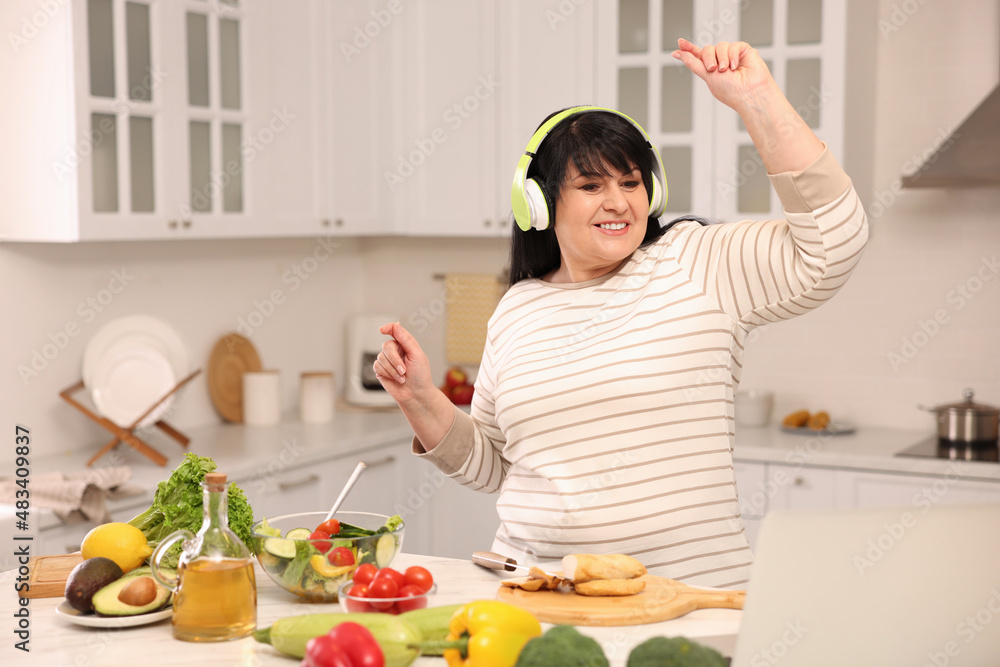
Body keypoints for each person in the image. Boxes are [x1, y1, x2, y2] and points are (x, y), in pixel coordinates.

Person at [374, 39, 868, 589]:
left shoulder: (694, 261)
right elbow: (492, 466)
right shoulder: (518, 307)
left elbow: (834, 242)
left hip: (689, 600)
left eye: (630, 182)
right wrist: (419, 399)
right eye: (591, 186)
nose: (618, 201)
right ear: (537, 204)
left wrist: (759, 100)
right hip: (541, 596)